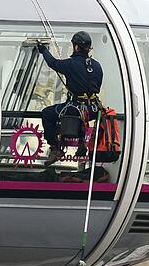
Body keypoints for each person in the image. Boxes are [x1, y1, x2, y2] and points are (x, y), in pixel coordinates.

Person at [37, 31, 103, 166]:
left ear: (76, 47)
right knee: (76, 114)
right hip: (94, 109)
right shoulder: (97, 66)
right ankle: (81, 143)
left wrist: (43, 50)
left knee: (48, 113)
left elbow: (52, 63)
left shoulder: (71, 64)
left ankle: (55, 148)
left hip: (76, 107)